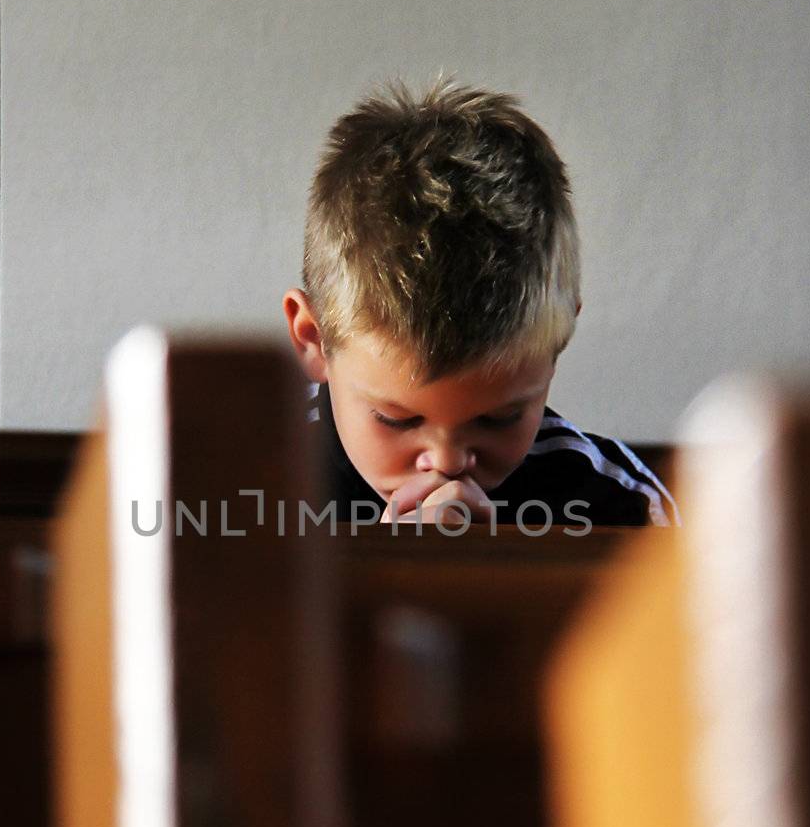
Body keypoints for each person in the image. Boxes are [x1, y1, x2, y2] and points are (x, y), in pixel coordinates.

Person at [283, 78, 677, 530]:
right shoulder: (229, 484)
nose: (448, 463)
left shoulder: (621, 510)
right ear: (313, 339)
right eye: (397, 420)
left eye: (498, 419)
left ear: (556, 349)